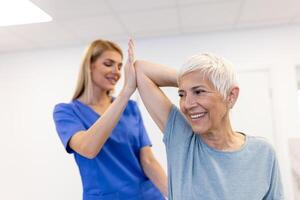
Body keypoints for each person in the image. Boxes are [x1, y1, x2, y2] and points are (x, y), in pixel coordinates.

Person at [134, 48, 284, 199]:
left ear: (231, 96)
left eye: (199, 92)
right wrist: (188, 79)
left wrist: (218, 81)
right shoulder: (182, 139)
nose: (187, 104)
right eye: (182, 94)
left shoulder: (263, 153)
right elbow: (141, 70)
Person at [53, 39, 167, 200]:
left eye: (120, 66)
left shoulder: (130, 108)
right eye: (108, 64)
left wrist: (178, 194)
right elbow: (88, 149)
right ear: (90, 66)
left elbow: (148, 160)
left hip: (146, 195)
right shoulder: (66, 112)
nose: (117, 71)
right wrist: (125, 92)